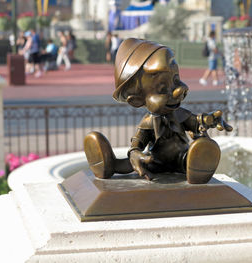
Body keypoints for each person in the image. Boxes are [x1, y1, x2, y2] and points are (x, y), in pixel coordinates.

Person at [84, 38, 233, 184]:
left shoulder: (180, 114)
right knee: (134, 163)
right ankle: (108, 164)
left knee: (193, 154)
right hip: (154, 160)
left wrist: (209, 120)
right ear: (136, 100)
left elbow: (196, 121)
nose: (180, 89)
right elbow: (137, 144)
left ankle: (199, 165)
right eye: (162, 89)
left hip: (181, 156)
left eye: (176, 80)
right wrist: (135, 154)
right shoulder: (148, 122)